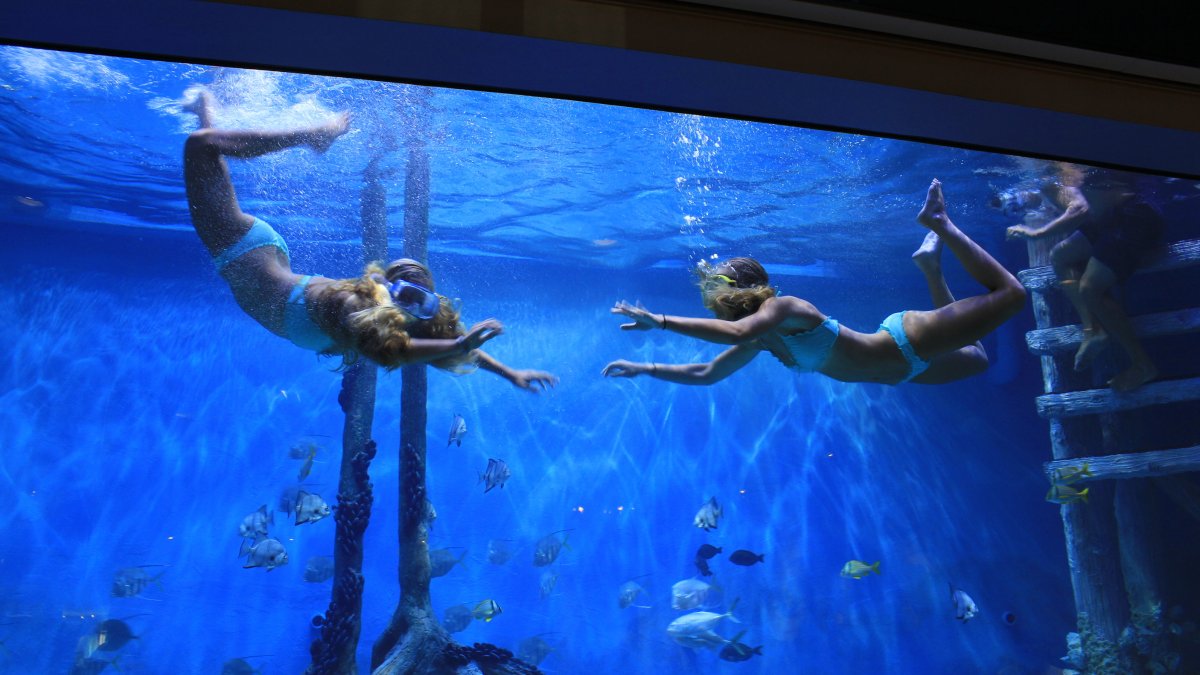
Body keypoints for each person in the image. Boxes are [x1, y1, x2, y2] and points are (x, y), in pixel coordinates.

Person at [183, 90, 556, 391]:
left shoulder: (383, 323)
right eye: (403, 285)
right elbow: (410, 347)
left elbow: (432, 345)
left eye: (413, 296)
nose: (405, 277)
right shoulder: (358, 309)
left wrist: (500, 368)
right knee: (203, 149)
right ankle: (304, 133)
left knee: (207, 153)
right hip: (246, 260)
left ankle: (212, 110)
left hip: (265, 260)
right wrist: (472, 352)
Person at [601, 179, 1026, 386]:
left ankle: (940, 223)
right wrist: (645, 368)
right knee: (979, 359)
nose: (711, 305)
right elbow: (707, 372)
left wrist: (660, 321)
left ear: (734, 293)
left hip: (904, 343)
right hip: (903, 372)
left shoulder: (783, 308)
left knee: (1012, 295)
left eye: (714, 297)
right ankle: (931, 267)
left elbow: (736, 331)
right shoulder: (762, 339)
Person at [1002, 163, 1164, 391]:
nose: (1018, 207)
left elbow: (1080, 209)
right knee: (1061, 256)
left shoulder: (1049, 179)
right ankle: (1093, 330)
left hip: (1135, 216)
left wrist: (1037, 232)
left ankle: (1142, 365)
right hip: (1113, 219)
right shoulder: (1049, 184)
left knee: (1090, 288)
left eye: (1016, 202)